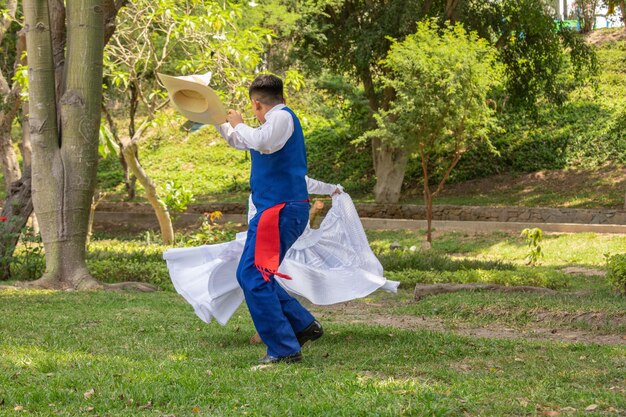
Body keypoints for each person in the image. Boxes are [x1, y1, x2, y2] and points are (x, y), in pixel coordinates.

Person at [214, 74, 325, 364]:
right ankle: (302, 325)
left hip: (279, 209)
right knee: (249, 274)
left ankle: (284, 348)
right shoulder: (270, 125)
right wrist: (216, 118)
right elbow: (242, 141)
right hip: (273, 210)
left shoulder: (281, 119)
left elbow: (259, 140)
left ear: (257, 103)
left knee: (253, 276)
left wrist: (238, 122)